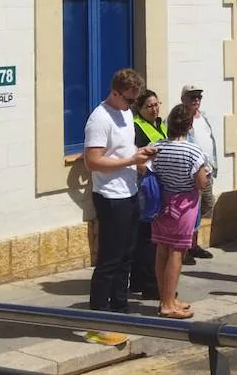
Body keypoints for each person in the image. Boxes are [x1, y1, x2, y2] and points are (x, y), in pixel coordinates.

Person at [83, 68, 155, 343]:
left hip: (129, 190)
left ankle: (119, 311)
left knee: (127, 255)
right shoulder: (100, 119)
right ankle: (98, 322)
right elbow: (93, 161)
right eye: (128, 100)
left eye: (134, 101)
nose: (131, 105)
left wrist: (140, 159)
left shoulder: (125, 113)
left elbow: (124, 150)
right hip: (110, 196)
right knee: (109, 260)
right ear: (115, 92)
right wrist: (130, 162)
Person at [151, 104, 210, 319]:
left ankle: (165, 298)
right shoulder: (193, 151)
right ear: (189, 125)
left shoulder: (157, 147)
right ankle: (168, 304)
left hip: (161, 203)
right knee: (176, 251)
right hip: (184, 206)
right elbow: (201, 183)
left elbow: (146, 169)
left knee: (161, 250)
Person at [129, 89, 166, 299]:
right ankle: (149, 284)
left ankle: (137, 280)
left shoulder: (160, 124)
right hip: (145, 185)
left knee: (145, 235)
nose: (154, 109)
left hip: (157, 182)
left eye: (156, 104)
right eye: (149, 106)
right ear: (140, 108)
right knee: (147, 237)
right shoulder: (135, 126)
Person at [181, 85, 218, 264]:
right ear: (183, 99)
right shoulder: (181, 120)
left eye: (198, 97)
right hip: (193, 174)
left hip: (207, 171)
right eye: (192, 97)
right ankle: (186, 248)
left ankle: (193, 244)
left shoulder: (204, 117)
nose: (196, 100)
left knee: (206, 207)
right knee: (191, 212)